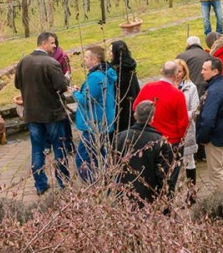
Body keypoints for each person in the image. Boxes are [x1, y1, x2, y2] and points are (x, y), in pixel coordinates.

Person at [13, 32, 71, 195]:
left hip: (32, 115)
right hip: (52, 114)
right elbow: (61, 86)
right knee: (59, 148)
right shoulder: (51, 63)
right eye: (53, 43)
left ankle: (40, 185)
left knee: (37, 150)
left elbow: (18, 84)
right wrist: (66, 80)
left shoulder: (23, 62)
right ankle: (63, 182)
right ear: (44, 43)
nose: (55, 46)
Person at [133, 61, 190, 190]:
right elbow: (183, 122)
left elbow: (135, 107)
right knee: (169, 179)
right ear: (176, 75)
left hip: (148, 139)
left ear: (161, 71)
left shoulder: (147, 87)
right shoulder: (177, 95)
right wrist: (181, 141)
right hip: (171, 141)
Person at [114, 101, 174, 204]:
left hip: (124, 195)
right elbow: (164, 176)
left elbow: (112, 166)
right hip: (149, 198)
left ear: (135, 115)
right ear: (152, 118)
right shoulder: (160, 142)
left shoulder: (120, 137)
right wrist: (167, 198)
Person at [72, 45, 117, 182]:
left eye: (86, 57)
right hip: (102, 122)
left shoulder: (95, 76)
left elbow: (87, 101)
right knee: (100, 155)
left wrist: (75, 93)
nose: (84, 60)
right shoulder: (103, 73)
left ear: (95, 59)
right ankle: (104, 181)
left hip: (95, 124)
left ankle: (91, 185)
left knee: (82, 158)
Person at [196, 57, 223, 192]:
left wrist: (202, 137)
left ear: (215, 71)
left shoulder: (213, 91)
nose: (201, 72)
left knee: (216, 171)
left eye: (204, 69)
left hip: (215, 137)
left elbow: (207, 119)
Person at [174, 59, 200, 195]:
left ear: (184, 72)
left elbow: (195, 109)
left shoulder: (191, 87)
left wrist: (182, 115)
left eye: (180, 71)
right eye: (175, 71)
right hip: (171, 129)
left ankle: (191, 193)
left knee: (189, 160)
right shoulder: (169, 86)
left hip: (186, 128)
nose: (177, 74)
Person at [110, 40, 140, 134]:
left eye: (111, 51)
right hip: (131, 102)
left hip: (122, 107)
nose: (109, 53)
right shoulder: (129, 65)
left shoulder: (118, 70)